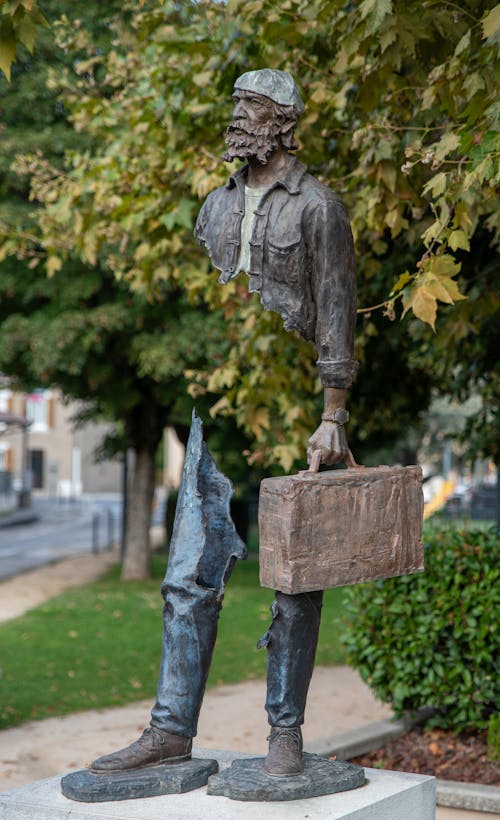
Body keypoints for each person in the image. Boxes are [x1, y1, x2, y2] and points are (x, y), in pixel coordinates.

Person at [91, 68, 357, 779]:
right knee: (186, 574)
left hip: (292, 407)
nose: (237, 118)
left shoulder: (319, 207)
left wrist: (333, 414)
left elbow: (335, 313)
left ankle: (285, 734)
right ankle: (171, 729)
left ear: (283, 120)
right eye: (236, 105)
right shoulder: (213, 206)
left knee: (293, 580)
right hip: (219, 412)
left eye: (251, 107)